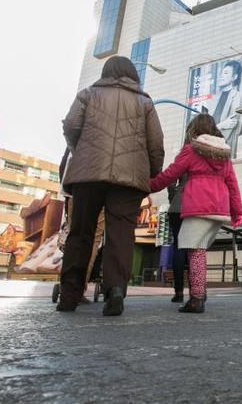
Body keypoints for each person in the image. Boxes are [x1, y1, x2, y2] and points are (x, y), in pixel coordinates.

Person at [59, 56, 164, 316]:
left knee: (80, 232)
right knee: (120, 234)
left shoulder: (88, 94)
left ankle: (69, 294)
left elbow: (71, 126)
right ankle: (115, 290)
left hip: (88, 173)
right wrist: (151, 172)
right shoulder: (145, 102)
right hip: (128, 178)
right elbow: (156, 143)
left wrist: (80, 150)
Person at [149, 113, 242, 314]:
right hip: (219, 208)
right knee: (198, 249)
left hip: (198, 205)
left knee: (194, 250)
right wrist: (237, 212)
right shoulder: (224, 153)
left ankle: (197, 298)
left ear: (195, 129)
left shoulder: (192, 150)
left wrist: (149, 186)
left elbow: (171, 174)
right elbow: (232, 184)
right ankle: (201, 293)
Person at [210, 60, 242, 155]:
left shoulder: (239, 97)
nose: (221, 76)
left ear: (234, 77)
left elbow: (234, 125)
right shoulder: (212, 98)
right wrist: (221, 126)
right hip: (208, 147)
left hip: (224, 148)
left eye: (226, 73)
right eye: (221, 73)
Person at [167, 174, 188, 303]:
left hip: (178, 205)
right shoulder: (211, 158)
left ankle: (179, 292)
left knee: (179, 247)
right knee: (196, 249)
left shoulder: (184, 157)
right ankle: (197, 293)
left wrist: (173, 196)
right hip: (199, 206)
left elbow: (170, 179)